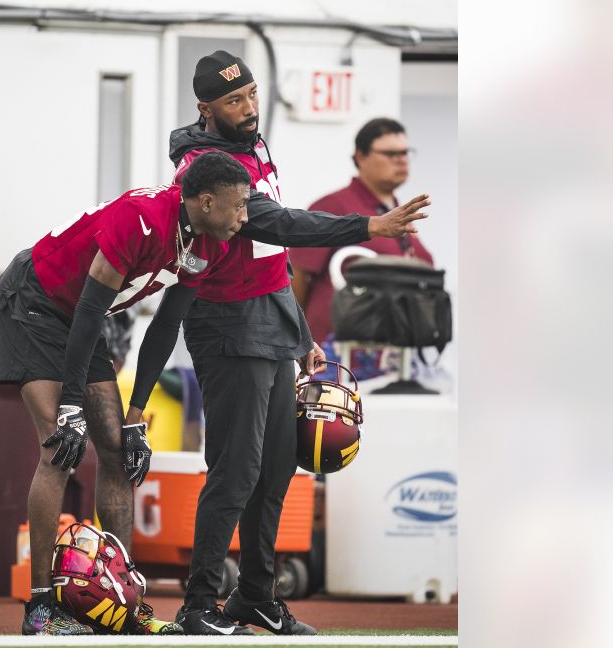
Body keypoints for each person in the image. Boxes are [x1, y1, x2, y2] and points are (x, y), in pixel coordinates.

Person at [161, 51, 431, 636]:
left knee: (279, 468)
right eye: (235, 101)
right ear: (206, 108)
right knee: (236, 471)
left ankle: (256, 596)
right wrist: (367, 227)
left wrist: (300, 331)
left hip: (270, 324)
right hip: (228, 324)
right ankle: (198, 605)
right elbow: (277, 225)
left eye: (253, 94)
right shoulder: (204, 163)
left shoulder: (252, 142)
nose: (250, 108)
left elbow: (272, 259)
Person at [0, 153, 253, 636]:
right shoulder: (142, 218)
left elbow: (166, 325)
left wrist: (135, 415)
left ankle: (124, 602)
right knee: (60, 448)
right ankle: (40, 607)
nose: (245, 217)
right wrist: (69, 404)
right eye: (238, 206)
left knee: (116, 449)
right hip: (37, 301)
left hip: (85, 317)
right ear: (207, 201)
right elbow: (89, 308)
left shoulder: (206, 244)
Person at [291, 117, 435, 346]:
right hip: (340, 354)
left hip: (397, 353)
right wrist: (296, 344)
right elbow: (297, 276)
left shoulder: (397, 212)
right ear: (361, 157)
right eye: (391, 154)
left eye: (406, 153)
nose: (402, 161)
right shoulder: (333, 206)